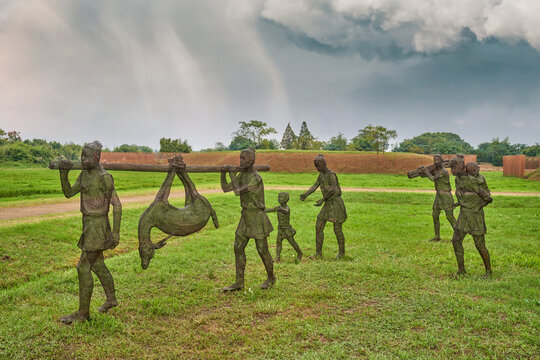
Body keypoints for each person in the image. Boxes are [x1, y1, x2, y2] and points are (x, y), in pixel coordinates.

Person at [57, 141, 122, 323]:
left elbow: (117, 204)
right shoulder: (84, 174)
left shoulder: (105, 177)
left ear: (96, 157)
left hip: (98, 226)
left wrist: (115, 232)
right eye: (81, 156)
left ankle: (83, 315)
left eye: (86, 156)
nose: (83, 160)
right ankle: (111, 299)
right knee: (98, 265)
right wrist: (64, 174)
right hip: (88, 225)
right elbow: (69, 192)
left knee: (83, 267)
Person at [220, 147, 275, 291]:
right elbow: (226, 188)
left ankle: (271, 278)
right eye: (240, 158)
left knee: (262, 250)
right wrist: (223, 173)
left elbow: (238, 192)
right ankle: (239, 282)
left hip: (257, 216)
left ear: (251, 160)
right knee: (238, 247)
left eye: (243, 158)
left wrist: (232, 173)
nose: (240, 161)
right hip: (245, 216)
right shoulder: (242, 176)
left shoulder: (255, 178)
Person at [450, 157, 492, 276]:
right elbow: (462, 195)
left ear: (461, 167)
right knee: (456, 240)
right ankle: (461, 270)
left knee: (479, 244)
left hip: (474, 215)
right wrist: (458, 202)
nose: (451, 170)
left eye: (454, 167)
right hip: (464, 215)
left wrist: (477, 206)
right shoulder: (458, 179)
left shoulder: (472, 180)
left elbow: (488, 198)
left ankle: (489, 271)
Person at [300, 154, 347, 259]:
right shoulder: (321, 175)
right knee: (319, 226)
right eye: (315, 166)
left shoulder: (331, 175)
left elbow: (334, 189)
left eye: (318, 166)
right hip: (328, 204)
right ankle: (318, 253)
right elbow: (315, 185)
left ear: (324, 164)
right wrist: (305, 194)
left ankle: (341, 253)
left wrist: (323, 199)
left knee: (337, 229)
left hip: (336, 204)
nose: (317, 168)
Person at [420, 154, 456, 241]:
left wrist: (426, 171)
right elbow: (424, 175)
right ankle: (437, 236)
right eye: (434, 160)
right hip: (439, 195)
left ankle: (458, 235)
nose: (435, 162)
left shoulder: (444, 171)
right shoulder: (435, 170)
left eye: (437, 160)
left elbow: (432, 178)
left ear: (441, 161)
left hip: (446, 196)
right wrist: (421, 170)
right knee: (435, 215)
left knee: (449, 216)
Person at [265, 192, 303, 263]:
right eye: (278, 197)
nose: (279, 199)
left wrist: (279, 209)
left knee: (292, 242)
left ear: (286, 199)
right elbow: (269, 210)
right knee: (278, 242)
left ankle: (300, 253)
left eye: (281, 197)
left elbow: (285, 211)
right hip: (281, 229)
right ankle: (277, 257)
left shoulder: (286, 208)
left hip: (287, 229)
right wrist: (261, 208)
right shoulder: (278, 207)